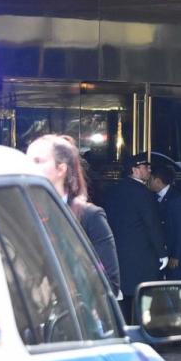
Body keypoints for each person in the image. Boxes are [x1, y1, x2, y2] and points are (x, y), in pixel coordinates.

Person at [26, 134, 121, 297]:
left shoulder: (90, 216)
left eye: (37, 161)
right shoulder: (23, 213)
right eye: (27, 161)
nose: (28, 167)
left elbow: (110, 285)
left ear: (61, 169)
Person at [104, 152, 167, 323]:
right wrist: (162, 253)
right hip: (142, 256)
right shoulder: (144, 193)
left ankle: (124, 335)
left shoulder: (114, 191)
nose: (149, 170)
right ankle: (145, 337)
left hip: (119, 254)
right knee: (144, 299)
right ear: (135, 170)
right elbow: (152, 225)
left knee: (122, 299)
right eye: (146, 167)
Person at [149, 163, 181, 281]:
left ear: (158, 181)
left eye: (151, 179)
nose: (148, 182)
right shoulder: (153, 197)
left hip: (174, 253)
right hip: (162, 252)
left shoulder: (176, 200)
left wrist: (175, 255)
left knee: (173, 285)